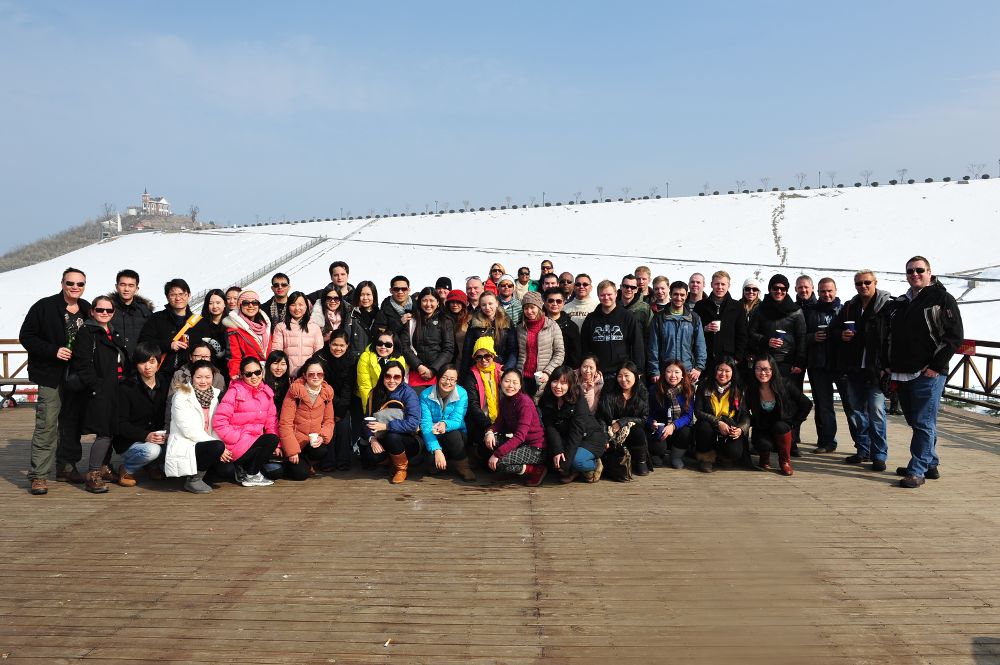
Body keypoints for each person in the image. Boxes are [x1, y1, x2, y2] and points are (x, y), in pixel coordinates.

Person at [884, 256, 963, 488]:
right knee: (917, 421)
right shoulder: (901, 302)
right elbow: (889, 336)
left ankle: (917, 470)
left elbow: (954, 336)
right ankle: (930, 463)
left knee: (923, 422)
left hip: (928, 373)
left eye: (919, 270)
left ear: (929, 272)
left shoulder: (942, 298)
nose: (914, 274)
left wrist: (936, 366)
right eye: (910, 271)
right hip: (902, 372)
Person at [21, 267, 91, 494]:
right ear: (62, 283)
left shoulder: (87, 308)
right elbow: (26, 336)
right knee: (47, 424)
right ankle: (39, 475)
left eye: (80, 284)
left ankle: (66, 468)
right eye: (70, 283)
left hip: (78, 377)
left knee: (71, 424)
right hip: (51, 375)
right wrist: (53, 350)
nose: (75, 287)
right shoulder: (44, 306)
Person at [830, 270, 892, 466]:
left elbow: (893, 338)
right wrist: (841, 334)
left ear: (875, 283)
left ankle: (879, 455)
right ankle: (863, 450)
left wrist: (887, 366)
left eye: (867, 282)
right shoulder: (850, 306)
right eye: (859, 283)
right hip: (853, 368)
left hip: (876, 369)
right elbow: (833, 329)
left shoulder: (887, 306)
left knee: (877, 412)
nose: (863, 286)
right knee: (856, 412)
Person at [70, 295, 128, 493]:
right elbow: (82, 364)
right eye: (100, 309)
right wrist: (96, 386)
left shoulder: (112, 331)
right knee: (104, 432)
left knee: (111, 430)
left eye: (108, 310)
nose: (104, 313)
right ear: (92, 311)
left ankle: (103, 467)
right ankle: (93, 474)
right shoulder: (87, 332)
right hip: (101, 389)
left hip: (116, 388)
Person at [747, 274, 806, 453]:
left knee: (789, 402)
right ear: (770, 289)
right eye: (775, 288)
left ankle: (791, 441)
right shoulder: (760, 309)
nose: (778, 291)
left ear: (787, 290)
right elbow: (751, 333)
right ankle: (762, 440)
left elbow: (801, 337)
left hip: (787, 363)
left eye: (782, 289)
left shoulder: (795, 311)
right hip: (765, 362)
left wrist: (799, 361)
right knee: (762, 400)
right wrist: (766, 340)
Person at [164, 359, 232, 493]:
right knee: (217, 447)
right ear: (192, 377)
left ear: (213, 377)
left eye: (207, 377)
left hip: (210, 443)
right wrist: (219, 446)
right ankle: (193, 480)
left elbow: (218, 424)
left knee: (227, 470)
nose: (203, 381)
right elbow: (188, 430)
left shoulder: (216, 395)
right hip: (189, 443)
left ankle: (205, 471)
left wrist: (221, 447)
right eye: (199, 377)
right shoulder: (181, 396)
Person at [212, 356, 279, 487]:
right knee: (271, 439)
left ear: (262, 372)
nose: (254, 377)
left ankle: (246, 470)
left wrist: (277, 446)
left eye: (257, 372)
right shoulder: (234, 392)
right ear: (242, 375)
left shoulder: (267, 393)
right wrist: (238, 437)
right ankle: (252, 475)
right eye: (248, 374)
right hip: (236, 444)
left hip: (255, 443)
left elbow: (271, 422)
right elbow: (219, 422)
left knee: (276, 466)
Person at [803, 277, 852, 456]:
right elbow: (800, 335)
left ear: (836, 291)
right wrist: (811, 337)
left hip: (841, 365)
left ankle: (862, 445)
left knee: (851, 405)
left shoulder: (845, 310)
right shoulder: (810, 311)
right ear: (817, 292)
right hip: (818, 364)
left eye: (829, 291)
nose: (826, 294)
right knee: (824, 406)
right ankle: (827, 441)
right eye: (823, 291)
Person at [113, 342, 169, 487]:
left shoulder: (164, 383)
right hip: (131, 441)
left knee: (178, 445)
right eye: (142, 362)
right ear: (136, 364)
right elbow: (120, 424)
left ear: (158, 363)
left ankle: (151, 466)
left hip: (158, 437)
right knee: (152, 451)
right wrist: (145, 436)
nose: (147, 367)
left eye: (152, 362)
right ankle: (127, 469)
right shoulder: (126, 387)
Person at [745, 355, 811, 476]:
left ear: (773, 369)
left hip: (782, 426)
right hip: (762, 427)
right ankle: (764, 458)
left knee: (780, 427)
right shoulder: (751, 388)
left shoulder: (785, 384)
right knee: (762, 444)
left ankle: (785, 462)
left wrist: (795, 423)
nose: (762, 373)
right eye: (758, 369)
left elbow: (806, 404)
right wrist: (750, 422)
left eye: (766, 369)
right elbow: (744, 411)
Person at [540, 365, 607, 483]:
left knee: (576, 462)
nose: (558, 386)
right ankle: (574, 470)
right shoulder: (547, 398)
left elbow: (577, 431)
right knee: (555, 461)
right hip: (567, 437)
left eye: (563, 383)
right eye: (555, 381)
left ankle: (594, 464)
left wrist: (567, 461)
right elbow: (550, 427)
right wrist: (558, 450)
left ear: (570, 384)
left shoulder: (578, 398)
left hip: (590, 437)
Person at [361, 361, 421, 483]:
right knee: (369, 455)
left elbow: (413, 423)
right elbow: (366, 420)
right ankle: (391, 461)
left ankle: (401, 469)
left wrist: (386, 426)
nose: (392, 380)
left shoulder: (409, 394)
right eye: (388, 376)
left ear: (402, 378)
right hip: (381, 436)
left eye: (397, 377)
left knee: (392, 436)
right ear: (383, 376)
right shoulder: (374, 393)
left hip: (407, 439)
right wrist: (372, 439)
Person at [485, 369, 547, 486]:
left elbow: (520, 436)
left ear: (520, 385)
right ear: (501, 382)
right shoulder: (504, 400)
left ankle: (535, 470)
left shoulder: (525, 403)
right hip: (521, 444)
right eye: (507, 381)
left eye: (515, 382)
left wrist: (497, 454)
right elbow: (499, 424)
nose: (510, 385)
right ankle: (512, 470)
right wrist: (489, 432)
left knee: (498, 462)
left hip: (536, 448)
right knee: (491, 441)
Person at [308, 329, 358, 471]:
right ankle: (327, 462)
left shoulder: (352, 359)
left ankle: (343, 461)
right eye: (335, 344)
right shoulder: (320, 357)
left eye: (342, 345)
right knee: (327, 427)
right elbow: (321, 384)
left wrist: (340, 410)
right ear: (329, 343)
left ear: (347, 345)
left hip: (343, 401)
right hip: (322, 399)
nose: (338, 348)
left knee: (343, 424)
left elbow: (348, 387)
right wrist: (333, 406)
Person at [278, 359, 335, 480]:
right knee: (300, 475)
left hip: (311, 441)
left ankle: (307, 463)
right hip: (295, 441)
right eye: (311, 374)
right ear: (304, 375)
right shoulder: (295, 392)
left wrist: (322, 436)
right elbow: (285, 423)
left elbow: (329, 421)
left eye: (319, 374)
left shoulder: (327, 393)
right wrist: (292, 451)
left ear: (324, 375)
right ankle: (290, 462)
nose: (316, 377)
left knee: (322, 450)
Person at [581, 280, 645, 384]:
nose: (606, 298)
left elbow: (637, 345)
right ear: (598, 296)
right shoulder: (591, 319)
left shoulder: (627, 317)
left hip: (621, 373)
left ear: (616, 294)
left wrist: (638, 370)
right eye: (602, 295)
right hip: (597, 374)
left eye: (609, 294)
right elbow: (584, 346)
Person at [693, 357, 751, 473]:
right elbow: (698, 411)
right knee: (703, 427)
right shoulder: (704, 385)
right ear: (715, 370)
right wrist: (717, 422)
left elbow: (745, 415)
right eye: (720, 370)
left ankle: (722, 456)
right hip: (710, 424)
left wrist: (741, 429)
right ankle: (706, 458)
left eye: (727, 371)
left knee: (734, 452)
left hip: (730, 425)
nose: (723, 374)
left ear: (733, 372)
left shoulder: (739, 388)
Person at [419, 365, 476, 481]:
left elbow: (457, 420)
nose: (448, 382)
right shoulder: (425, 395)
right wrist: (437, 450)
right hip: (434, 435)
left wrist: (445, 424)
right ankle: (441, 457)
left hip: (457, 435)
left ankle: (464, 467)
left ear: (456, 381)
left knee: (452, 435)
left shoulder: (462, 393)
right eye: (444, 378)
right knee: (431, 462)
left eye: (452, 379)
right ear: (438, 378)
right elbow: (425, 424)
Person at [597, 361, 652, 477]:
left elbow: (644, 419)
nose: (623, 379)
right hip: (612, 433)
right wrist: (605, 437)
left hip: (632, 433)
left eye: (627, 376)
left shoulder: (642, 392)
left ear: (635, 376)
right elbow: (602, 417)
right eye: (620, 376)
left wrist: (622, 421)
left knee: (638, 430)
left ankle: (641, 461)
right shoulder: (609, 391)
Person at [138, 278, 197, 383]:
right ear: (167, 297)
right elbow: (144, 341)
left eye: (181, 294)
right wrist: (168, 345)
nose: (178, 298)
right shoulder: (156, 318)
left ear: (188, 295)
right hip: (161, 375)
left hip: (190, 375)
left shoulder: (198, 322)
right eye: (173, 295)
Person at [647, 281, 706, 383]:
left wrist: (698, 367)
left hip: (687, 372)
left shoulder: (694, 318)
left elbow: (700, 345)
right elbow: (653, 347)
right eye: (675, 294)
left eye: (682, 295)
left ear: (686, 295)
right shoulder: (659, 318)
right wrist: (654, 370)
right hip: (666, 371)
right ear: (670, 294)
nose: (679, 298)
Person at [693, 270, 748, 373]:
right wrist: (704, 328)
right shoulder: (700, 305)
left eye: (723, 284)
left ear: (728, 285)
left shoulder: (737, 306)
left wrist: (737, 358)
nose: (720, 287)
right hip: (706, 358)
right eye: (717, 284)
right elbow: (692, 330)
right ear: (711, 285)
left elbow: (742, 334)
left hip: (728, 359)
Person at [400, 287, 455, 388]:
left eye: (431, 300)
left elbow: (448, 349)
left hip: (439, 374)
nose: (428, 304)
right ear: (420, 302)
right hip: (415, 372)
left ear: (438, 302)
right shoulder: (411, 320)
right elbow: (404, 346)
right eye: (425, 300)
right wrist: (418, 366)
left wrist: (433, 369)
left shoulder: (445, 321)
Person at [165, 340, 225, 431]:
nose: (202, 359)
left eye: (206, 356)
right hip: (185, 425)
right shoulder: (180, 375)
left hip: (211, 426)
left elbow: (222, 407)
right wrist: (168, 429)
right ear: (190, 356)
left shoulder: (218, 377)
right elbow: (171, 402)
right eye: (198, 356)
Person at [646, 360, 695, 470]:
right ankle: (657, 454)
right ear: (664, 373)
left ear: (682, 375)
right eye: (669, 372)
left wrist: (673, 426)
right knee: (657, 460)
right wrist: (651, 423)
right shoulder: (654, 389)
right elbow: (646, 413)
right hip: (660, 427)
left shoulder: (688, 389)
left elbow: (688, 416)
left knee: (686, 431)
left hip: (678, 427)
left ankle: (676, 457)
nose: (673, 375)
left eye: (677, 372)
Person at [516, 291, 565, 400]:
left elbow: (559, 352)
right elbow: (518, 352)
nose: (529, 311)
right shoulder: (520, 328)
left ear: (539, 307)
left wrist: (547, 372)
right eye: (526, 308)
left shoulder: (552, 326)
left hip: (542, 377)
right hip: (523, 378)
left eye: (532, 307)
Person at [463, 337, 504, 461]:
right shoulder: (471, 376)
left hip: (503, 420)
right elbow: (473, 405)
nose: (483, 360)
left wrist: (504, 381)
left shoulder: (502, 371)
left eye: (487, 356)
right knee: (491, 446)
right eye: (479, 357)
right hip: (481, 422)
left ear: (493, 355)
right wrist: (488, 427)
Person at [270, 290, 324, 377]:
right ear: (288, 306)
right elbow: (277, 352)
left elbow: (319, 353)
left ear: (306, 306)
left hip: (308, 376)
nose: (297, 308)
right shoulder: (281, 327)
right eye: (293, 304)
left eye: (300, 304)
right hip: (287, 376)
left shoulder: (315, 327)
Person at [461, 292, 517, 375]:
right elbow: (467, 350)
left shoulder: (507, 321)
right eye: (484, 305)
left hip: (501, 368)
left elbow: (513, 350)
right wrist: (464, 374)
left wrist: (507, 369)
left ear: (497, 303)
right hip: (480, 368)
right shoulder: (475, 323)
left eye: (490, 304)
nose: (487, 307)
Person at [223, 290, 271, 380]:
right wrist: (235, 375)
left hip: (268, 373)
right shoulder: (234, 328)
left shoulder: (265, 325)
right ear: (240, 305)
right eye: (246, 303)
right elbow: (234, 357)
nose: (251, 306)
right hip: (249, 375)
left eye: (254, 302)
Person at [356, 330, 407, 414]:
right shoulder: (365, 357)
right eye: (379, 343)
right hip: (368, 399)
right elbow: (365, 387)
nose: (383, 347)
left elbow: (398, 385)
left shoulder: (400, 359)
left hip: (391, 400)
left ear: (394, 346)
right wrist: (369, 412)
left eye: (388, 345)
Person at [108, 269, 152, 357]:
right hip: (112, 360)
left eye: (131, 285)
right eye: (123, 285)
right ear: (116, 287)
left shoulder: (145, 311)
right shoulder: (106, 309)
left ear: (136, 289)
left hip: (138, 360)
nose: (126, 289)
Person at [189, 288, 230, 378]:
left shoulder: (231, 323)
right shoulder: (199, 324)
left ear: (224, 304)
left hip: (228, 369)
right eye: (210, 303)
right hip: (204, 370)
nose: (214, 306)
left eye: (218, 303)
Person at [543, 287, 581, 369]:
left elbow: (575, 355)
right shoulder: (538, 324)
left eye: (558, 301)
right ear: (545, 303)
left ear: (564, 303)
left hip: (563, 372)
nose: (555, 304)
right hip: (540, 370)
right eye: (551, 301)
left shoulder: (571, 327)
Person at [349, 280, 383, 355]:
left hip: (375, 358)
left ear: (374, 296)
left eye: (368, 294)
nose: (365, 298)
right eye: (362, 295)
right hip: (356, 358)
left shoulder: (381, 315)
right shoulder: (351, 315)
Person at [617, 274, 651, 345]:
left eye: (633, 287)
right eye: (626, 286)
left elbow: (650, 334)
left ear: (636, 289)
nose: (629, 289)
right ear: (621, 287)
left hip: (638, 348)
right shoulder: (612, 307)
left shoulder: (645, 309)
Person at [443, 290, 471, 366]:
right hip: (445, 360)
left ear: (463, 304)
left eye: (458, 302)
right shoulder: (442, 318)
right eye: (452, 302)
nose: (455, 305)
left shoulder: (469, 319)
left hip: (463, 360)